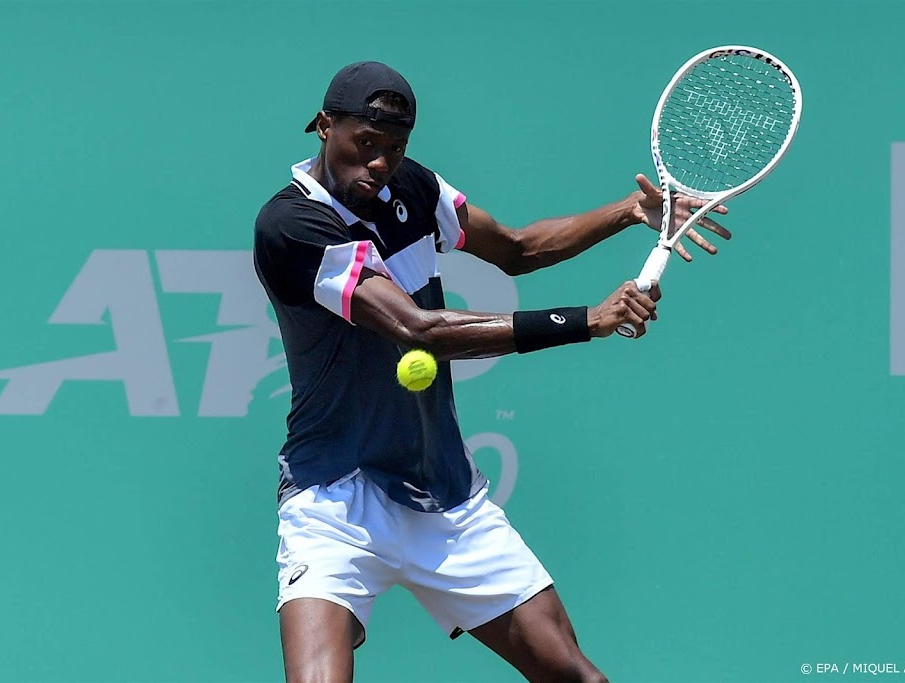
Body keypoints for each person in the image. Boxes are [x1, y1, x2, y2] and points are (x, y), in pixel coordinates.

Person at [253, 61, 731, 683]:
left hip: (444, 494)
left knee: (578, 678)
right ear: (324, 126)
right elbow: (419, 330)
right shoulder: (291, 225)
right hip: (333, 498)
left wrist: (632, 212)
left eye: (394, 149)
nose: (379, 164)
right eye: (364, 143)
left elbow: (517, 248)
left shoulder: (413, 190)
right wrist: (587, 319)